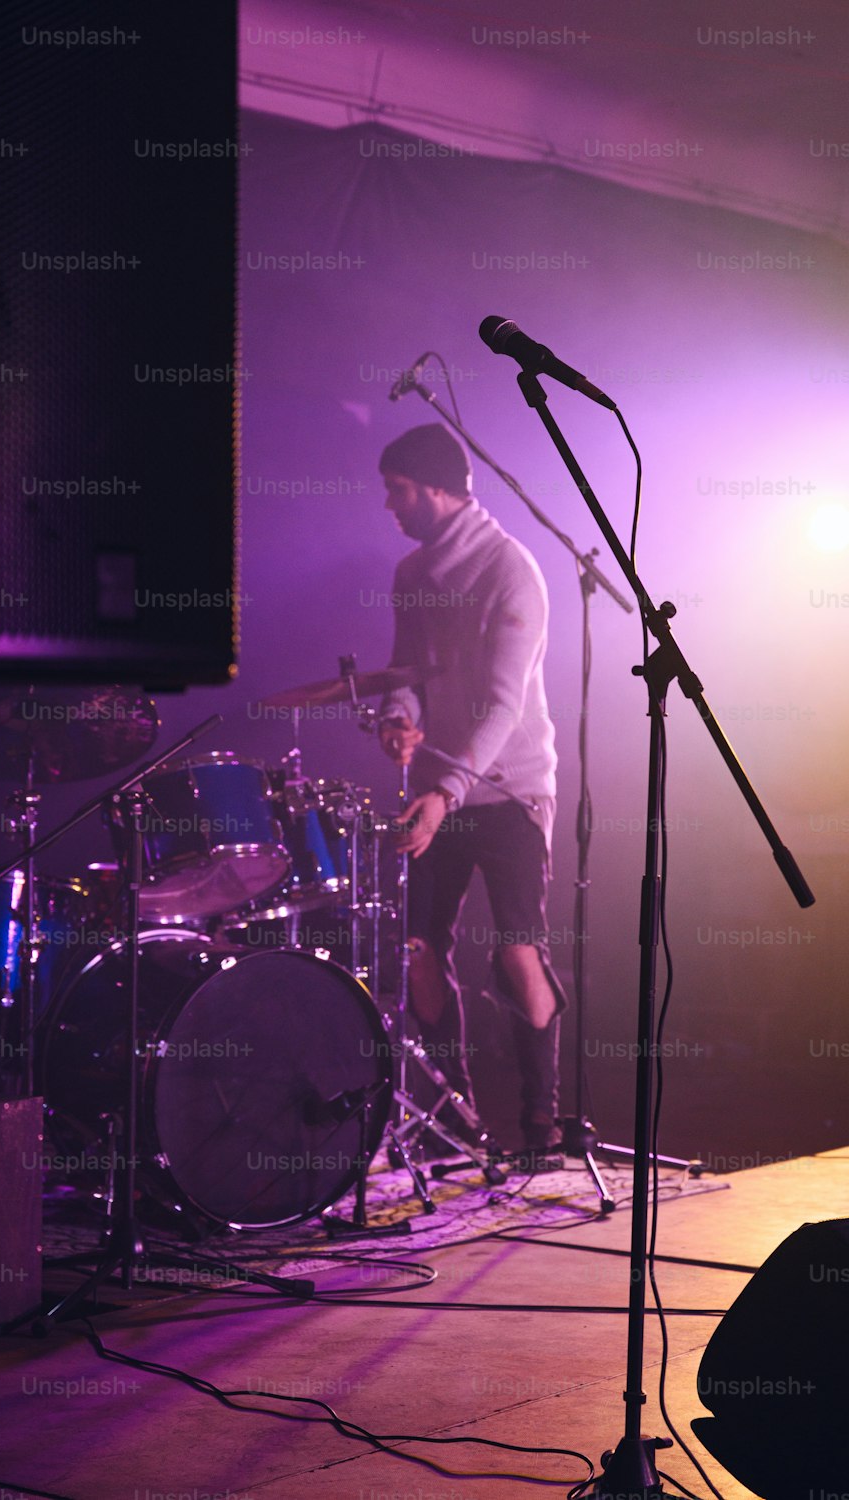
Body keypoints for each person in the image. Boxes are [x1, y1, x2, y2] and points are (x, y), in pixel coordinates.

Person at [377, 422, 566, 1160]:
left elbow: (502, 705)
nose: (388, 506)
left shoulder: (509, 567)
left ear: (431, 488)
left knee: (516, 953)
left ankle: (541, 1128)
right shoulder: (410, 574)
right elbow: (407, 672)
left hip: (508, 790)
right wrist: (399, 718)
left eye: (396, 491)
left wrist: (447, 790)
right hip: (439, 791)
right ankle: (459, 1121)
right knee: (419, 946)